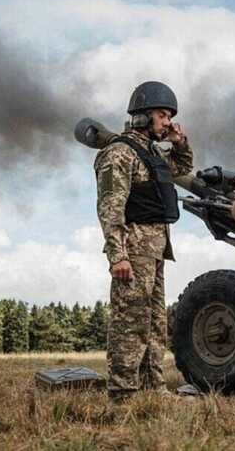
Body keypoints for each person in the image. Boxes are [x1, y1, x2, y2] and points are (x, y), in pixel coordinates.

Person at [94, 81, 193, 401]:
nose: (168, 122)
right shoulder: (119, 153)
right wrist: (117, 256)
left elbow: (183, 167)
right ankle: (123, 392)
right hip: (133, 248)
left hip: (155, 249)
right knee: (130, 321)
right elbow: (111, 207)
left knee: (154, 323)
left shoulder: (151, 154)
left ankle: (154, 387)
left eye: (169, 116)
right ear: (142, 116)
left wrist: (180, 143)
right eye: (162, 115)